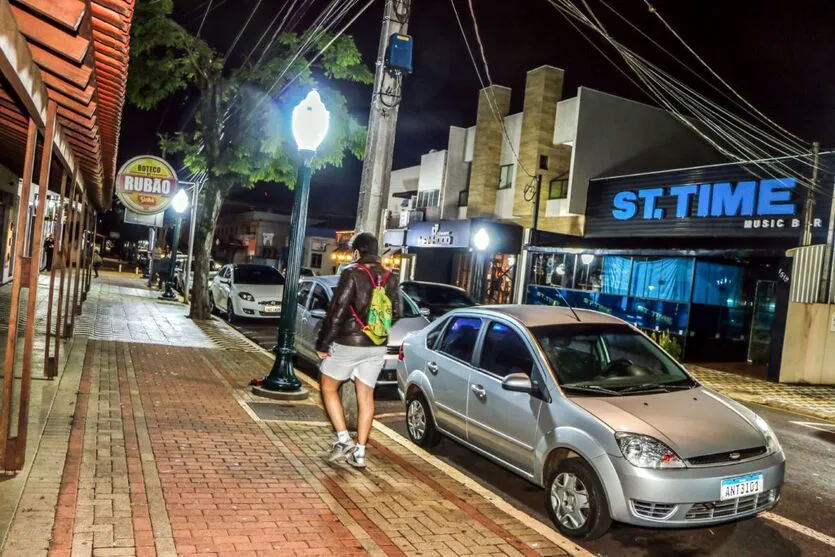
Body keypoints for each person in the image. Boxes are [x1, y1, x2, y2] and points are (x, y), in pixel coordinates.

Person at [315, 232, 402, 468]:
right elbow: (397, 312)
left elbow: (337, 310)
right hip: (376, 345)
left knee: (328, 386)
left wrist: (323, 345)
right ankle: (360, 452)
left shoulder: (351, 273)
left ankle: (344, 439)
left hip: (348, 342)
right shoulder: (390, 277)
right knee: (366, 395)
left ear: (357, 252)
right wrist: (375, 329)